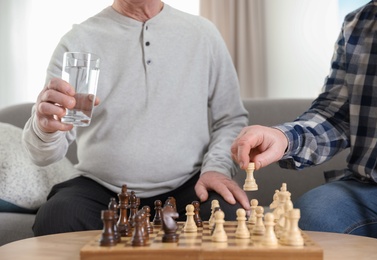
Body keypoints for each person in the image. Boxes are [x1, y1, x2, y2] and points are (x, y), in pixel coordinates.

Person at [22, 0, 250, 236]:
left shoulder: (203, 34)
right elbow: (42, 155)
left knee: (230, 217)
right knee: (56, 216)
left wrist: (217, 168)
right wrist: (44, 128)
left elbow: (230, 119)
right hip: (101, 190)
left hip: (189, 186)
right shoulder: (79, 40)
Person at [231, 0, 377, 241]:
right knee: (310, 219)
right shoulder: (359, 22)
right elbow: (335, 114)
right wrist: (283, 138)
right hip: (375, 183)